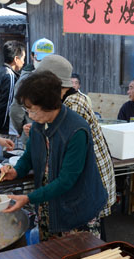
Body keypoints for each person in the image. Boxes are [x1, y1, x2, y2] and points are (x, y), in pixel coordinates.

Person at [0, 71, 107, 241]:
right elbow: (29, 156)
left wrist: (29, 198)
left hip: (76, 209)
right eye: (27, 110)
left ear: (49, 105)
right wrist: (16, 171)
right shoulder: (38, 125)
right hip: (48, 204)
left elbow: (66, 181)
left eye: (32, 110)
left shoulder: (76, 130)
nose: (30, 115)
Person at [34, 54, 116, 238]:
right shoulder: (65, 99)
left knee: (89, 228)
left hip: (92, 172)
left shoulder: (73, 104)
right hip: (87, 169)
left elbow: (61, 141)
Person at [9, 38, 55, 143]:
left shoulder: (56, 77)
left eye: (47, 59)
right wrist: (21, 129)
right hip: (32, 135)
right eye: (40, 59)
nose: (43, 63)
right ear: (32, 56)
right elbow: (16, 110)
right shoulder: (25, 81)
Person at [0, 40, 26, 150]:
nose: (23, 62)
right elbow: (5, 106)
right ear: (16, 59)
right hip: (5, 132)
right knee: (6, 163)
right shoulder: (10, 76)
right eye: (23, 58)